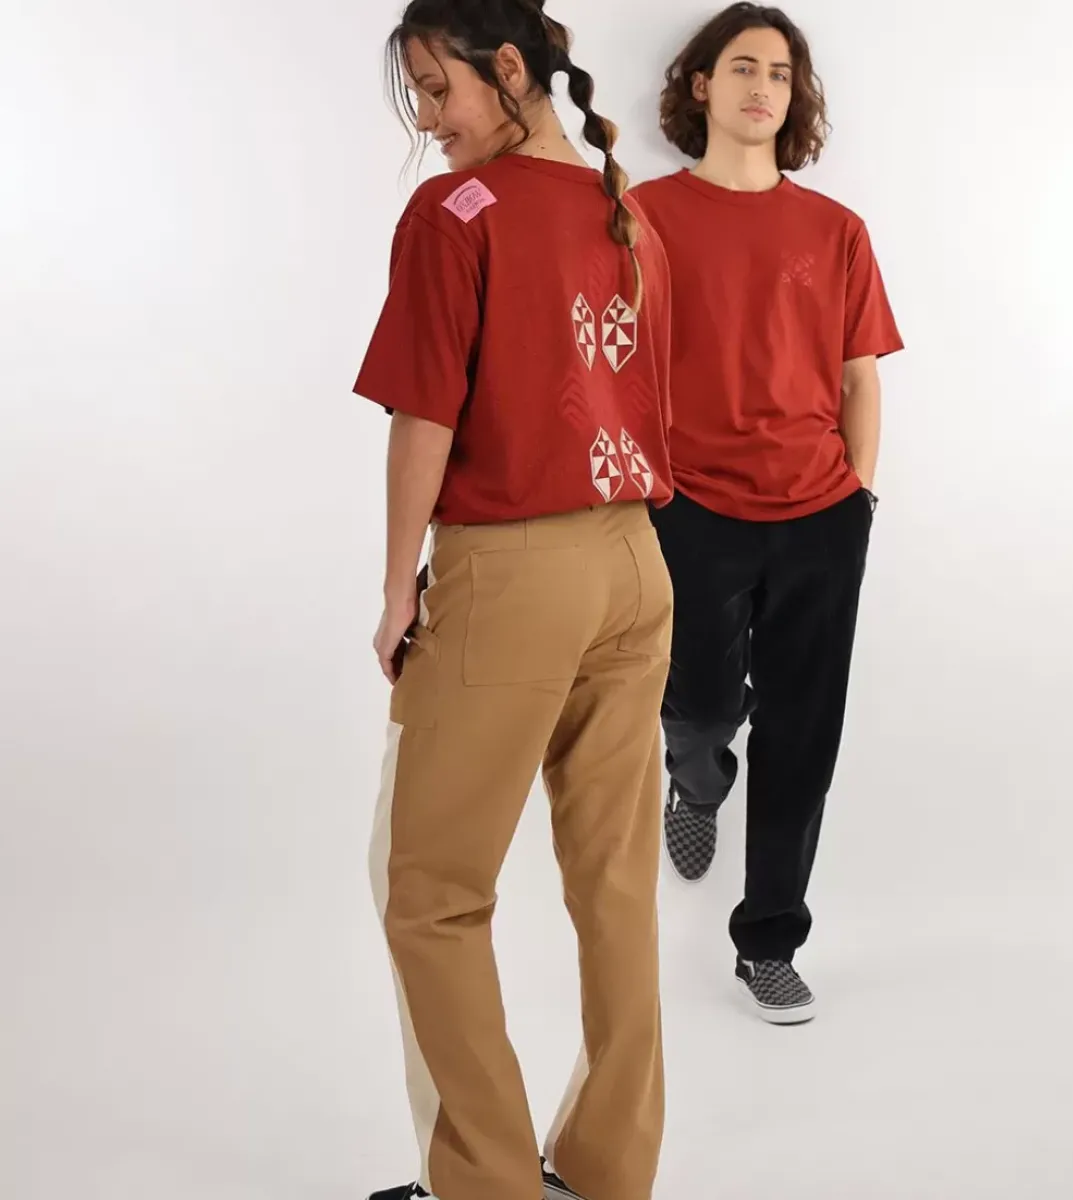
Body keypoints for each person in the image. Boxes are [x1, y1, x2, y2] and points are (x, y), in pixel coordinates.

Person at [351, 3, 675, 1198]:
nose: (429, 122)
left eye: (438, 90)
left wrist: (399, 588)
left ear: (507, 69)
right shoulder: (626, 211)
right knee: (615, 887)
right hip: (637, 566)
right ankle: (606, 1170)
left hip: (512, 575)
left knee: (430, 892)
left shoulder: (458, 213)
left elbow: (424, 415)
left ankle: (484, 1183)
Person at [630, 2, 903, 1025]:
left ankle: (770, 943)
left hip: (822, 513)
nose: (763, 88)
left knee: (803, 734)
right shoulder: (645, 215)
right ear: (700, 85)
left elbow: (861, 375)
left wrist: (859, 496)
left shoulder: (835, 230)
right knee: (700, 704)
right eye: (743, 67)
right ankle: (697, 778)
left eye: (781, 74)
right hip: (691, 504)